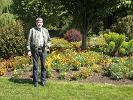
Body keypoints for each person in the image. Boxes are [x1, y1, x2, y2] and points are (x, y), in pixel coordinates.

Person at [27, 17, 51, 87]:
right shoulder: (32, 30)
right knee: (35, 66)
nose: (39, 23)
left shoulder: (45, 30)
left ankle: (43, 81)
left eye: (40, 22)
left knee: (43, 66)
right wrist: (29, 50)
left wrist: (48, 46)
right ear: (36, 23)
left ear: (42, 23)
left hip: (43, 50)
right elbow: (28, 41)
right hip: (35, 50)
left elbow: (49, 40)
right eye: (38, 22)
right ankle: (35, 81)